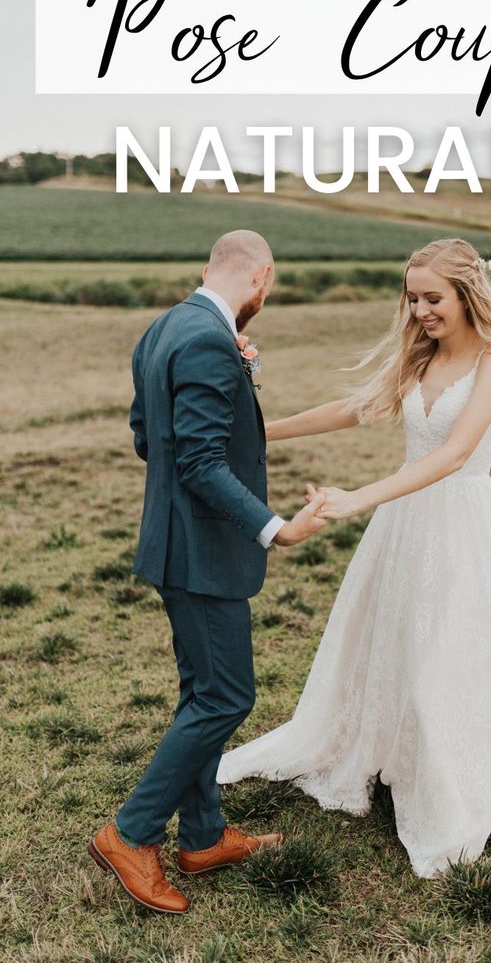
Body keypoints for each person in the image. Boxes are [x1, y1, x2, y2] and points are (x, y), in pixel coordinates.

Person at [217, 237, 491, 878]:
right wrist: (255, 430)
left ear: (468, 295)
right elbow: (353, 408)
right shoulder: (422, 356)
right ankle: (380, 750)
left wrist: (359, 497)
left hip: (461, 521)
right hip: (405, 522)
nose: (420, 311)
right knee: (391, 645)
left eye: (433, 298)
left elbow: (451, 454)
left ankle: (444, 788)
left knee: (444, 656)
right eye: (413, 298)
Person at [88, 230, 326, 914]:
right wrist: (276, 527)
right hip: (201, 552)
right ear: (264, 278)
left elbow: (147, 437)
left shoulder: (164, 329)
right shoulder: (208, 342)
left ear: (209, 269)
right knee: (226, 696)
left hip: (173, 544)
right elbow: (198, 462)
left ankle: (202, 835)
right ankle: (130, 835)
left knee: (202, 691)